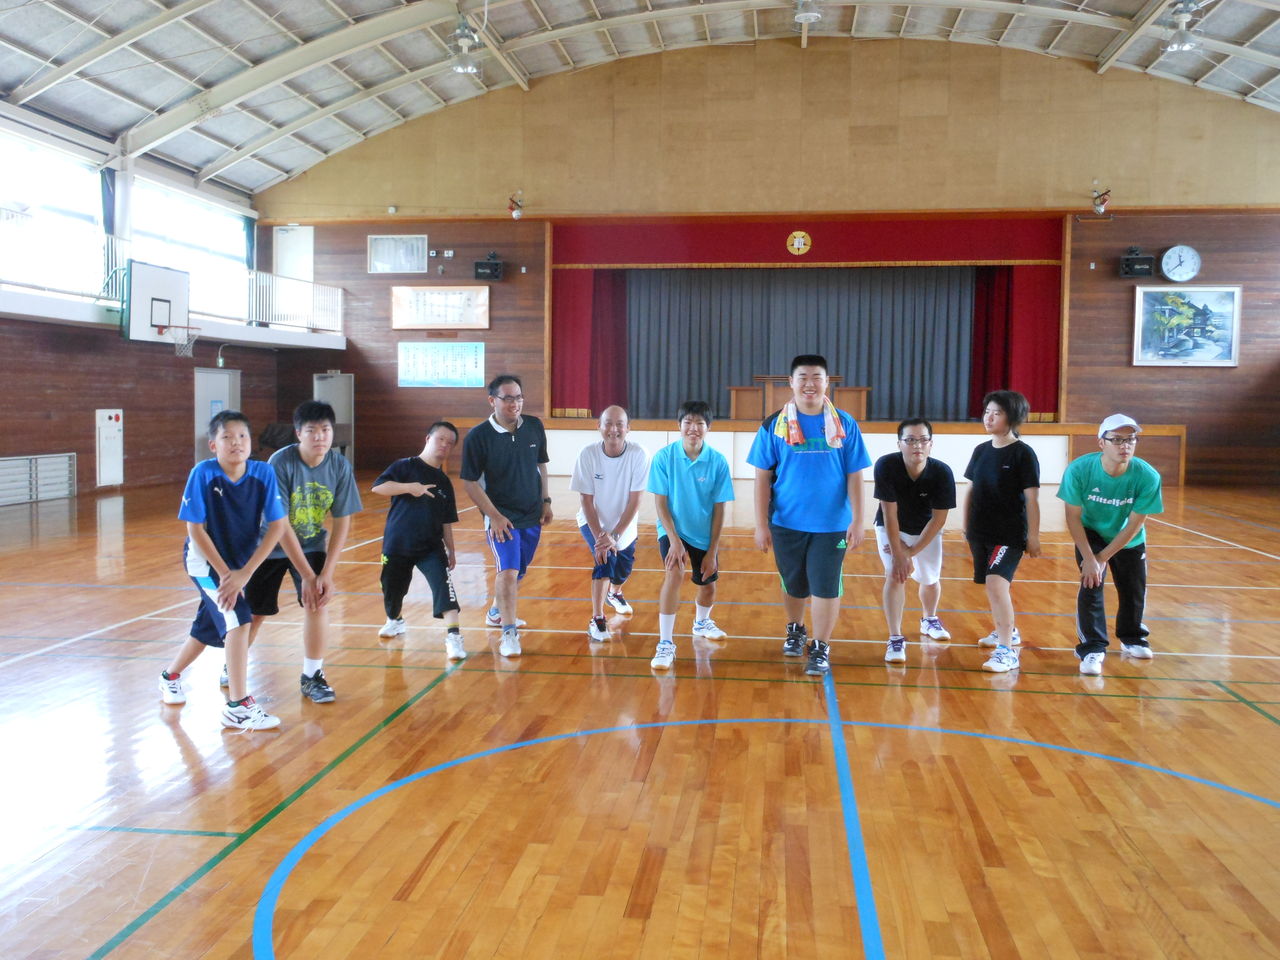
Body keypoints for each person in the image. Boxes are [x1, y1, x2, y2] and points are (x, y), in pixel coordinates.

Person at [159, 410, 288, 730]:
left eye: (242, 436)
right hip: (204, 562)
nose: (236, 442)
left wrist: (245, 572)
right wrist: (227, 576)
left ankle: (170, 676)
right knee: (239, 619)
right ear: (213, 445)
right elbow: (195, 530)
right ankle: (238, 706)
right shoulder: (203, 473)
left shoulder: (262, 473)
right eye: (227, 437)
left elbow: (277, 526)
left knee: (207, 627)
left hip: (239, 565)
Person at [748, 354, 871, 677]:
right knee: (794, 584)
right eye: (802, 377)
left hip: (832, 526)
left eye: (816, 377)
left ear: (827, 382)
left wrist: (858, 520)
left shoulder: (845, 424)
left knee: (825, 585)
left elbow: (855, 475)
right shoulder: (773, 425)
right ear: (791, 382)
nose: (809, 384)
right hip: (786, 523)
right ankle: (796, 628)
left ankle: (820, 646)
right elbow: (762, 478)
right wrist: (760, 525)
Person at [241, 400, 362, 704]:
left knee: (317, 601)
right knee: (255, 612)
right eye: (311, 430)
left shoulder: (339, 466)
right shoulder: (280, 463)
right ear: (298, 433)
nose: (319, 436)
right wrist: (308, 575)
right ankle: (234, 665)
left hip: (310, 543)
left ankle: (312, 676)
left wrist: (326, 574)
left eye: (325, 430)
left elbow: (342, 521)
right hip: (268, 545)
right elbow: (280, 525)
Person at [1058, 414, 1164, 677]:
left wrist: (1103, 557)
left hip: (1127, 536)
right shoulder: (1079, 470)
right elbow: (1072, 517)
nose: (1124, 445)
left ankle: (1132, 637)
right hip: (1090, 532)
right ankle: (1092, 647)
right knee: (1091, 584)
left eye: (1130, 439)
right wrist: (1090, 559)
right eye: (1116, 439)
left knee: (1133, 588)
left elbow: (1135, 524)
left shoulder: (1147, 476)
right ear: (1101, 443)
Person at [460, 374, 552, 658]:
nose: (515, 403)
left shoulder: (534, 426)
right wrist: (494, 516)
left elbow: (541, 465)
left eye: (519, 397)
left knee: (519, 569)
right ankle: (509, 633)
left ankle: (496, 612)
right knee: (508, 572)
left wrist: (546, 501)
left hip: (531, 514)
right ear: (493, 401)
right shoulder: (478, 437)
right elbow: (469, 482)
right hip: (501, 517)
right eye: (508, 398)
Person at [646, 401, 735, 669]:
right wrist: (674, 541)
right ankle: (665, 643)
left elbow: (720, 509)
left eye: (699, 423)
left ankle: (701, 622)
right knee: (674, 574)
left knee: (708, 587)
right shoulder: (664, 457)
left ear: (708, 428)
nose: (693, 428)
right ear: (679, 425)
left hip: (704, 533)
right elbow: (660, 503)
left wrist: (712, 551)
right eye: (688, 422)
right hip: (673, 529)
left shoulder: (718, 461)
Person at [371, 421, 466, 661]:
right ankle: (395, 620)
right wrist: (409, 488)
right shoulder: (404, 466)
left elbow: (446, 520)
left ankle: (454, 637)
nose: (444, 445)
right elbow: (378, 488)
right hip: (397, 544)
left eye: (450, 443)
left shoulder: (444, 482)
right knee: (392, 590)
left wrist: (451, 550)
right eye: (440, 439)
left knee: (445, 590)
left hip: (431, 547)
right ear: (428, 439)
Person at [964, 390, 1041, 674]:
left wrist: (1033, 536)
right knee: (992, 585)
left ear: (1013, 417)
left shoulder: (1023, 453)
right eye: (987, 412)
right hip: (980, 531)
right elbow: (971, 489)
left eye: (997, 413)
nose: (989, 418)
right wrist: (966, 526)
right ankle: (1006, 630)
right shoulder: (980, 450)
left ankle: (1007, 651)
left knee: (996, 584)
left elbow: (1032, 499)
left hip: (1009, 534)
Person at [873, 418, 956, 664]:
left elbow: (939, 519)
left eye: (922, 440)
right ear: (899, 443)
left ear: (931, 444)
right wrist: (898, 553)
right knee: (895, 575)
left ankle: (929, 619)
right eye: (910, 440)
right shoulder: (886, 465)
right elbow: (889, 513)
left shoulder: (942, 472)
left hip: (926, 529)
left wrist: (911, 551)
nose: (917, 445)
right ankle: (895, 637)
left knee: (930, 579)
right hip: (891, 527)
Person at [570, 405, 649, 642]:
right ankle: (597, 618)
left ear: (628, 429)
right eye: (608, 423)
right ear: (599, 426)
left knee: (623, 570)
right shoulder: (587, 454)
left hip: (624, 524)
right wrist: (601, 538)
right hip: (593, 521)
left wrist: (614, 534)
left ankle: (615, 593)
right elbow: (586, 500)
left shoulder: (639, 454)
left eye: (619, 424)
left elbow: (635, 500)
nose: (614, 429)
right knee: (604, 560)